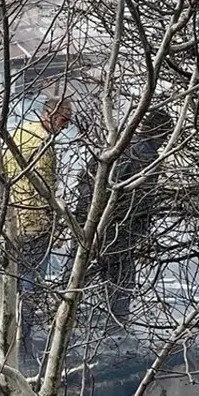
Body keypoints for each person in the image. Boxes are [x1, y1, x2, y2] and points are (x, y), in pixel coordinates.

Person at [74, 108, 172, 329]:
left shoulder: (117, 144)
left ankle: (62, 325)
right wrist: (142, 237)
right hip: (118, 231)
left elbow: (86, 180)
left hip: (89, 224)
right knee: (121, 280)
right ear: (162, 132)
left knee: (77, 277)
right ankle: (115, 332)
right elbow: (142, 201)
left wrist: (84, 220)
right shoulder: (146, 155)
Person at [3, 96, 72, 341]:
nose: (65, 126)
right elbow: (45, 190)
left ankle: (8, 330)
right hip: (34, 224)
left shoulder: (17, 134)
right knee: (30, 280)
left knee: (11, 277)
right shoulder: (43, 144)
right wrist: (55, 227)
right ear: (49, 115)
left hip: (10, 220)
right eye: (64, 119)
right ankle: (24, 334)